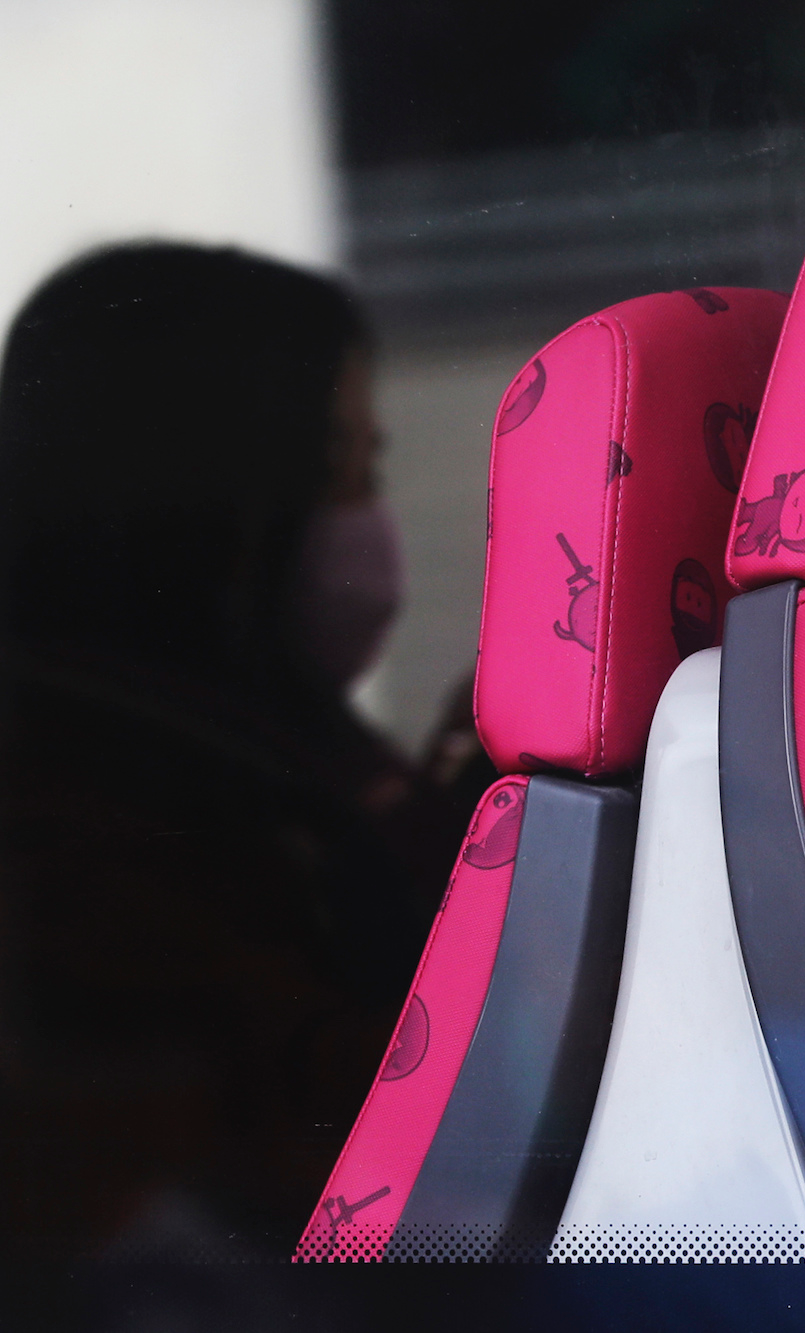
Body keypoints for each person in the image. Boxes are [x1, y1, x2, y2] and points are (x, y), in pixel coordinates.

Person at [0, 243, 463, 1254]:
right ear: (225, 506)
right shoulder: (69, 820)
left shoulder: (236, 747)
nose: (371, 522)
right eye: (348, 468)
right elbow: (339, 1132)